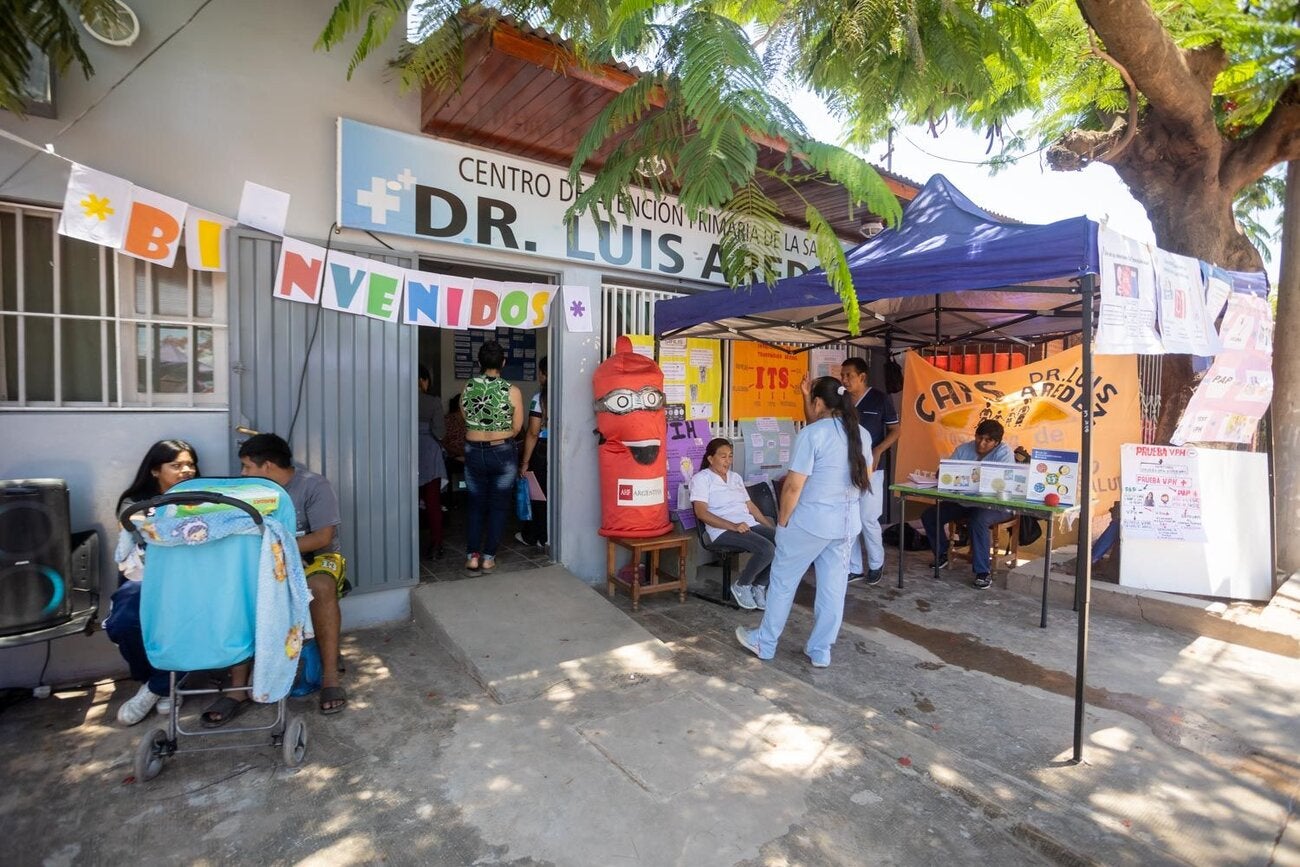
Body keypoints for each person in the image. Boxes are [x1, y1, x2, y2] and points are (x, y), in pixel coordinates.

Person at [203, 433, 347, 723]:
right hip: (261, 561)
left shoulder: (313, 486)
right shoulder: (247, 492)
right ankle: (238, 689)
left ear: (267, 466)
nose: (242, 473)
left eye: (247, 467)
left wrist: (275, 550)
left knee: (320, 587)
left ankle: (330, 680)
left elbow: (322, 537)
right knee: (238, 592)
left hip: (315, 559)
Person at [735, 377, 872, 669]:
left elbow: (793, 486)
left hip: (810, 523)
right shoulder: (861, 434)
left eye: (812, 401)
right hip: (846, 524)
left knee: (783, 583)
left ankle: (765, 642)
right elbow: (866, 478)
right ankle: (821, 650)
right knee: (833, 590)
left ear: (818, 403)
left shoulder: (812, 435)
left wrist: (783, 521)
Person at [106, 439, 200, 725]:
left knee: (193, 617)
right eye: (176, 465)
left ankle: (157, 689)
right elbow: (140, 532)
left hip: (190, 580)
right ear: (155, 471)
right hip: (146, 579)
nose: (186, 471)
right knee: (123, 622)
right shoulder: (134, 503)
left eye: (190, 464)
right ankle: (156, 682)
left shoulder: (203, 498)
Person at [804, 358, 900, 585]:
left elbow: (896, 430)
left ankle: (876, 563)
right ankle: (854, 566)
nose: (844, 380)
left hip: (871, 469)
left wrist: (877, 451)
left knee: (867, 518)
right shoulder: (840, 400)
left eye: (849, 375)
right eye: (842, 376)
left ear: (862, 377)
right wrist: (806, 396)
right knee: (851, 517)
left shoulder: (880, 399)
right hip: (844, 471)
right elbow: (813, 423)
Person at [919, 419, 1016, 590]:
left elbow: (1001, 481)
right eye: (979, 438)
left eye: (987, 440)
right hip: (966, 501)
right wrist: (944, 472)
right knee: (930, 515)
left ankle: (982, 572)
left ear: (997, 442)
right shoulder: (964, 449)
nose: (981, 443)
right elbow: (944, 472)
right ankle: (942, 554)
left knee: (977, 520)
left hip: (996, 505)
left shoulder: (1004, 453)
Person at [690, 438, 777, 610]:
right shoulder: (701, 479)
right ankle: (742, 585)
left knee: (785, 543)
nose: (728, 461)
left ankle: (759, 585)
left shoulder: (735, 478)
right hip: (722, 530)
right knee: (767, 549)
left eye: (730, 456)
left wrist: (768, 527)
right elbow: (701, 513)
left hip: (747, 524)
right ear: (710, 458)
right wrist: (733, 526)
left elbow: (750, 506)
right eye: (723, 456)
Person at [461, 340, 524, 574]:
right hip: (502, 452)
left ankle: (472, 557)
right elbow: (518, 427)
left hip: (473, 451)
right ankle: (488, 558)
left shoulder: (468, 387)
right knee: (498, 507)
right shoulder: (512, 391)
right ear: (503, 363)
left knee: (476, 506)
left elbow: (465, 416)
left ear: (479, 362)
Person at [516, 356, 549, 549]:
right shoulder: (567, 394)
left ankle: (536, 536)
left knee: (538, 495)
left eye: (540, 372)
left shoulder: (539, 399)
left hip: (542, 451)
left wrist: (525, 461)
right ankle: (551, 536)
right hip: (565, 449)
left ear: (544, 374)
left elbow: (533, 431)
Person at [418, 364, 447, 559]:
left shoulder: (395, 401)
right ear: (422, 380)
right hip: (429, 454)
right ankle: (436, 545)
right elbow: (440, 432)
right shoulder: (433, 402)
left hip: (403, 453)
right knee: (433, 503)